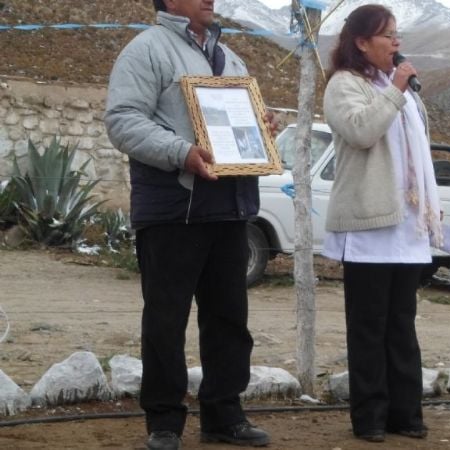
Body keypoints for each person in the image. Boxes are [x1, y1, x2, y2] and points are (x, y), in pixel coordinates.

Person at [104, 0, 275, 448]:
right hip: (173, 209)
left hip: (230, 205)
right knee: (166, 320)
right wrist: (182, 152)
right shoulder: (145, 51)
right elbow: (122, 121)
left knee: (229, 319)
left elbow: (240, 122)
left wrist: (261, 126)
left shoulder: (228, 56)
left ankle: (224, 414)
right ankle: (164, 421)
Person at [321, 4, 444, 443]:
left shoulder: (403, 92)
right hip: (370, 224)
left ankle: (405, 413)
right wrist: (394, 88)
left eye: (397, 34)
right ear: (360, 42)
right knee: (369, 325)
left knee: (401, 323)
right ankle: (369, 417)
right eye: (387, 35)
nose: (396, 43)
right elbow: (361, 131)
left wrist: (397, 90)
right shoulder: (343, 85)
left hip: (407, 224)